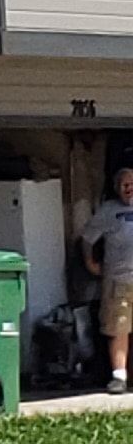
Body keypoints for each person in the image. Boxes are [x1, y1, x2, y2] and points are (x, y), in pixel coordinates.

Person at [82, 167, 133, 393]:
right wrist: (90, 262)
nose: (129, 188)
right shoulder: (108, 211)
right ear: (117, 188)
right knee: (118, 327)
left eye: (132, 183)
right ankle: (119, 377)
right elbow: (87, 238)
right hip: (118, 279)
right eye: (124, 184)